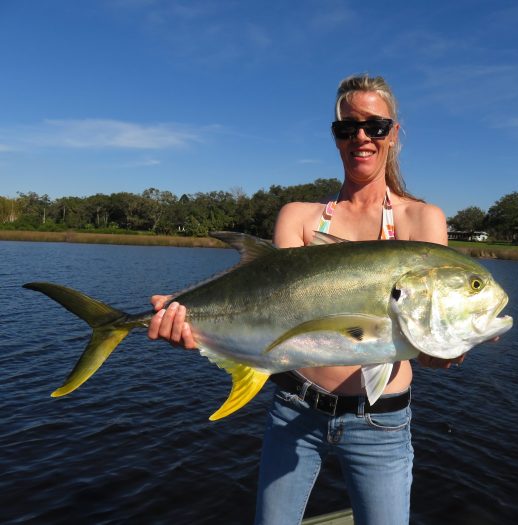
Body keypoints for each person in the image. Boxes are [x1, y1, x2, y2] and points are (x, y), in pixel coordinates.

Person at [148, 74, 462, 525]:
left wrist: (445, 352)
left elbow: (426, 336)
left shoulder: (423, 220)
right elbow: (273, 309)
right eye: (346, 128)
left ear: (393, 133)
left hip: (382, 422)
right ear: (335, 138)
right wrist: (195, 328)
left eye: (374, 126)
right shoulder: (297, 217)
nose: (361, 138)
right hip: (294, 405)